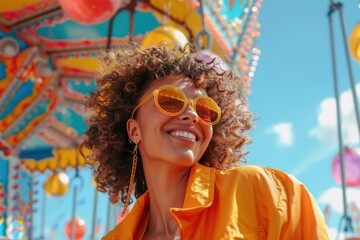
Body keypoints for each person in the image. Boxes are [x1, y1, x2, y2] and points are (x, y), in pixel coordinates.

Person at [80, 42, 330, 240]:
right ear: (134, 130)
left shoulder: (269, 194)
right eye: (169, 100)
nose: (192, 115)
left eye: (206, 109)